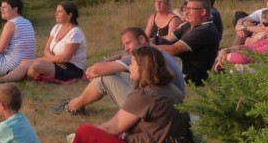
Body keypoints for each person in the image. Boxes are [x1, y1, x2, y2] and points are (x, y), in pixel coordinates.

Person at [69, 46, 193, 143]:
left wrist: (82, 139)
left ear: (143, 67)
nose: (130, 67)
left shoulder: (145, 95)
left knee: (84, 132)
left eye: (133, 64)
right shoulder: (173, 90)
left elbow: (112, 128)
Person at [51, 27, 185, 116]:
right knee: (114, 74)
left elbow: (96, 70)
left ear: (142, 39)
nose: (126, 48)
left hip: (157, 108)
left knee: (104, 78)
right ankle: (75, 105)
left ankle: (72, 106)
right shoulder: (156, 52)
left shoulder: (142, 56)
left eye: (128, 43)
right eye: (124, 45)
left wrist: (98, 72)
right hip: (170, 102)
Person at [0, 1, 85, 82]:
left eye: (60, 12)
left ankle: (25, 77)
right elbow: (46, 49)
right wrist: (52, 60)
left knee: (37, 64)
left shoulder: (75, 32)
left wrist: (49, 60)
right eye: (56, 11)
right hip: (56, 62)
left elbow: (65, 58)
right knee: (26, 62)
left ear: (70, 15)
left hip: (70, 68)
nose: (56, 14)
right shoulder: (57, 27)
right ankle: (2, 79)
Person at [156, 0, 220, 86]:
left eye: (190, 9)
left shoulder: (204, 30)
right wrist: (148, 41)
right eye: (186, 9)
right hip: (181, 66)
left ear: (202, 12)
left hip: (191, 76)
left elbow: (172, 50)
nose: (186, 12)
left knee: (148, 60)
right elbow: (166, 39)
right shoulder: (189, 25)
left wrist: (144, 46)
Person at [214, 5, 268, 72]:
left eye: (266, 24)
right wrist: (226, 50)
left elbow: (248, 56)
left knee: (237, 68)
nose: (262, 27)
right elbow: (250, 48)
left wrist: (225, 56)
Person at [0, 0, 36, 75]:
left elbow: (0, 49)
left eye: (5, 7)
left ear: (15, 9)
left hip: (12, 65)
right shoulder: (27, 22)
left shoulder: (11, 23)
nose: (1, 10)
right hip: (28, 63)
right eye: (1, 7)